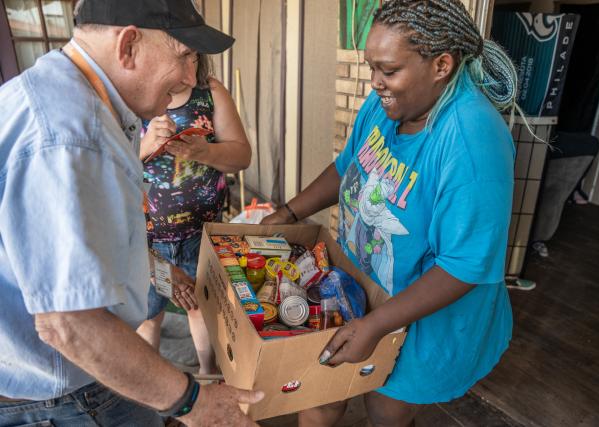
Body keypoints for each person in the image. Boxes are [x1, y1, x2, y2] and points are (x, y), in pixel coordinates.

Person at [0, 0, 262, 426]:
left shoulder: (73, 95)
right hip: (66, 393)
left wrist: (157, 270)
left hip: (77, 373)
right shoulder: (71, 138)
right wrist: (194, 402)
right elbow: (69, 323)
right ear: (128, 46)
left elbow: (93, 245)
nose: (190, 77)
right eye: (182, 57)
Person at [262, 0, 517, 425]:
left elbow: (465, 265)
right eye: (372, 68)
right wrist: (289, 212)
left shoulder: (472, 141)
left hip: (420, 319)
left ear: (441, 65)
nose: (376, 82)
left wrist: (376, 325)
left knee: (385, 408)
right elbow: (350, 165)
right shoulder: (389, 103)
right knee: (319, 393)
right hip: (362, 293)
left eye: (389, 70)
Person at [136, 53, 251, 375]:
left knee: (200, 307)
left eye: (192, 57)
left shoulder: (210, 92)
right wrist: (144, 147)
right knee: (149, 314)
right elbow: (106, 174)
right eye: (177, 56)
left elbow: (242, 156)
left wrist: (206, 151)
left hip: (201, 235)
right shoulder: (132, 96)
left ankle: (207, 375)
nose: (188, 71)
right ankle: (153, 387)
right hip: (148, 243)